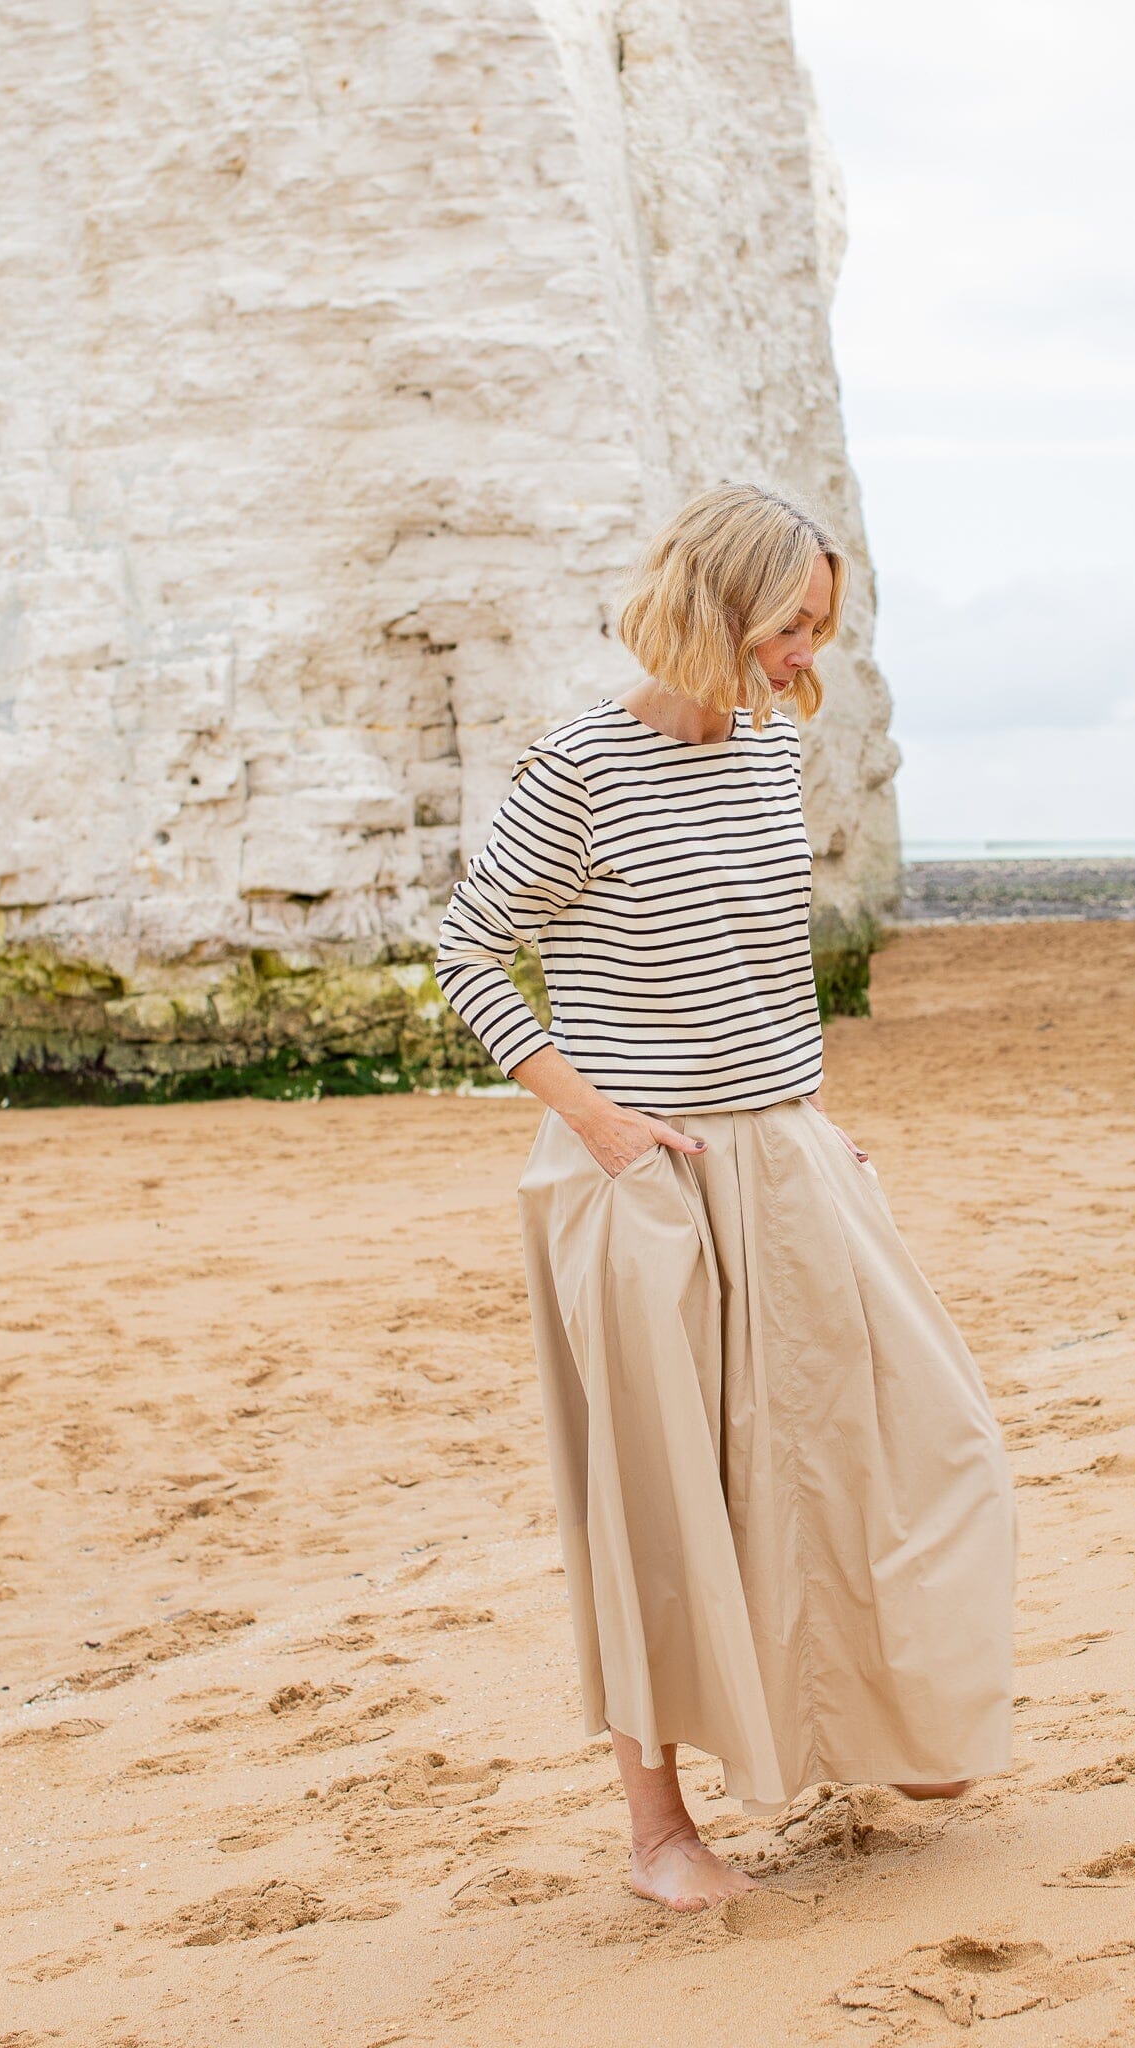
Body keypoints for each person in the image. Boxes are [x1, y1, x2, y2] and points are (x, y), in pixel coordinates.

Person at [433, 482, 1015, 1913]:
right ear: (719, 604)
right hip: (641, 1179)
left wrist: (815, 1119)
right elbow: (464, 956)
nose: (808, 653)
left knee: (903, 1444)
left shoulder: (766, 756)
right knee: (662, 1503)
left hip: (787, 1150)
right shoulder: (577, 768)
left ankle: (883, 1727)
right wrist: (606, 1129)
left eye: (822, 627)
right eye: (792, 625)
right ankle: (658, 1837)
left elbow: (762, 972)